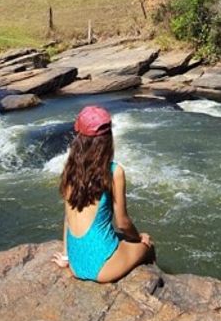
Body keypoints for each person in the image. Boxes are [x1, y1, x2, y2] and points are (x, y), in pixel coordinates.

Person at [51, 105, 154, 283]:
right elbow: (122, 222)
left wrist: (67, 258)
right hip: (102, 267)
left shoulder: (70, 169)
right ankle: (153, 278)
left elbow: (68, 217)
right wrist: (139, 239)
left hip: (76, 265)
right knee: (149, 244)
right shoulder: (114, 172)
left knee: (119, 238)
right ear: (108, 139)